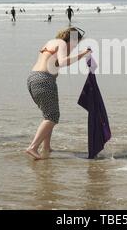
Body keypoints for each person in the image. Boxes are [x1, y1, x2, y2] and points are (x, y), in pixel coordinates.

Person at [26, 27, 91, 160]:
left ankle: (46, 147)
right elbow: (62, 62)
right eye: (75, 43)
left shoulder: (51, 42)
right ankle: (33, 147)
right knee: (52, 116)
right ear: (71, 39)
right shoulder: (61, 43)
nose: (74, 47)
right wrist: (83, 54)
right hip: (44, 80)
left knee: (48, 115)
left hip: (33, 78)